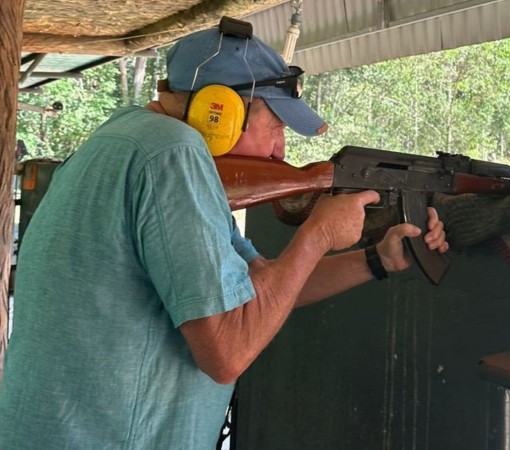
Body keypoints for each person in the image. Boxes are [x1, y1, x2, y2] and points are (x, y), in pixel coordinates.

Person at [0, 21, 448, 448]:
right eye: (275, 127)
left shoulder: (125, 140)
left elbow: (260, 286)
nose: (280, 149)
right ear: (221, 112)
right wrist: (317, 234)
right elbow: (228, 352)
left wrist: (376, 259)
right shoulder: (173, 153)